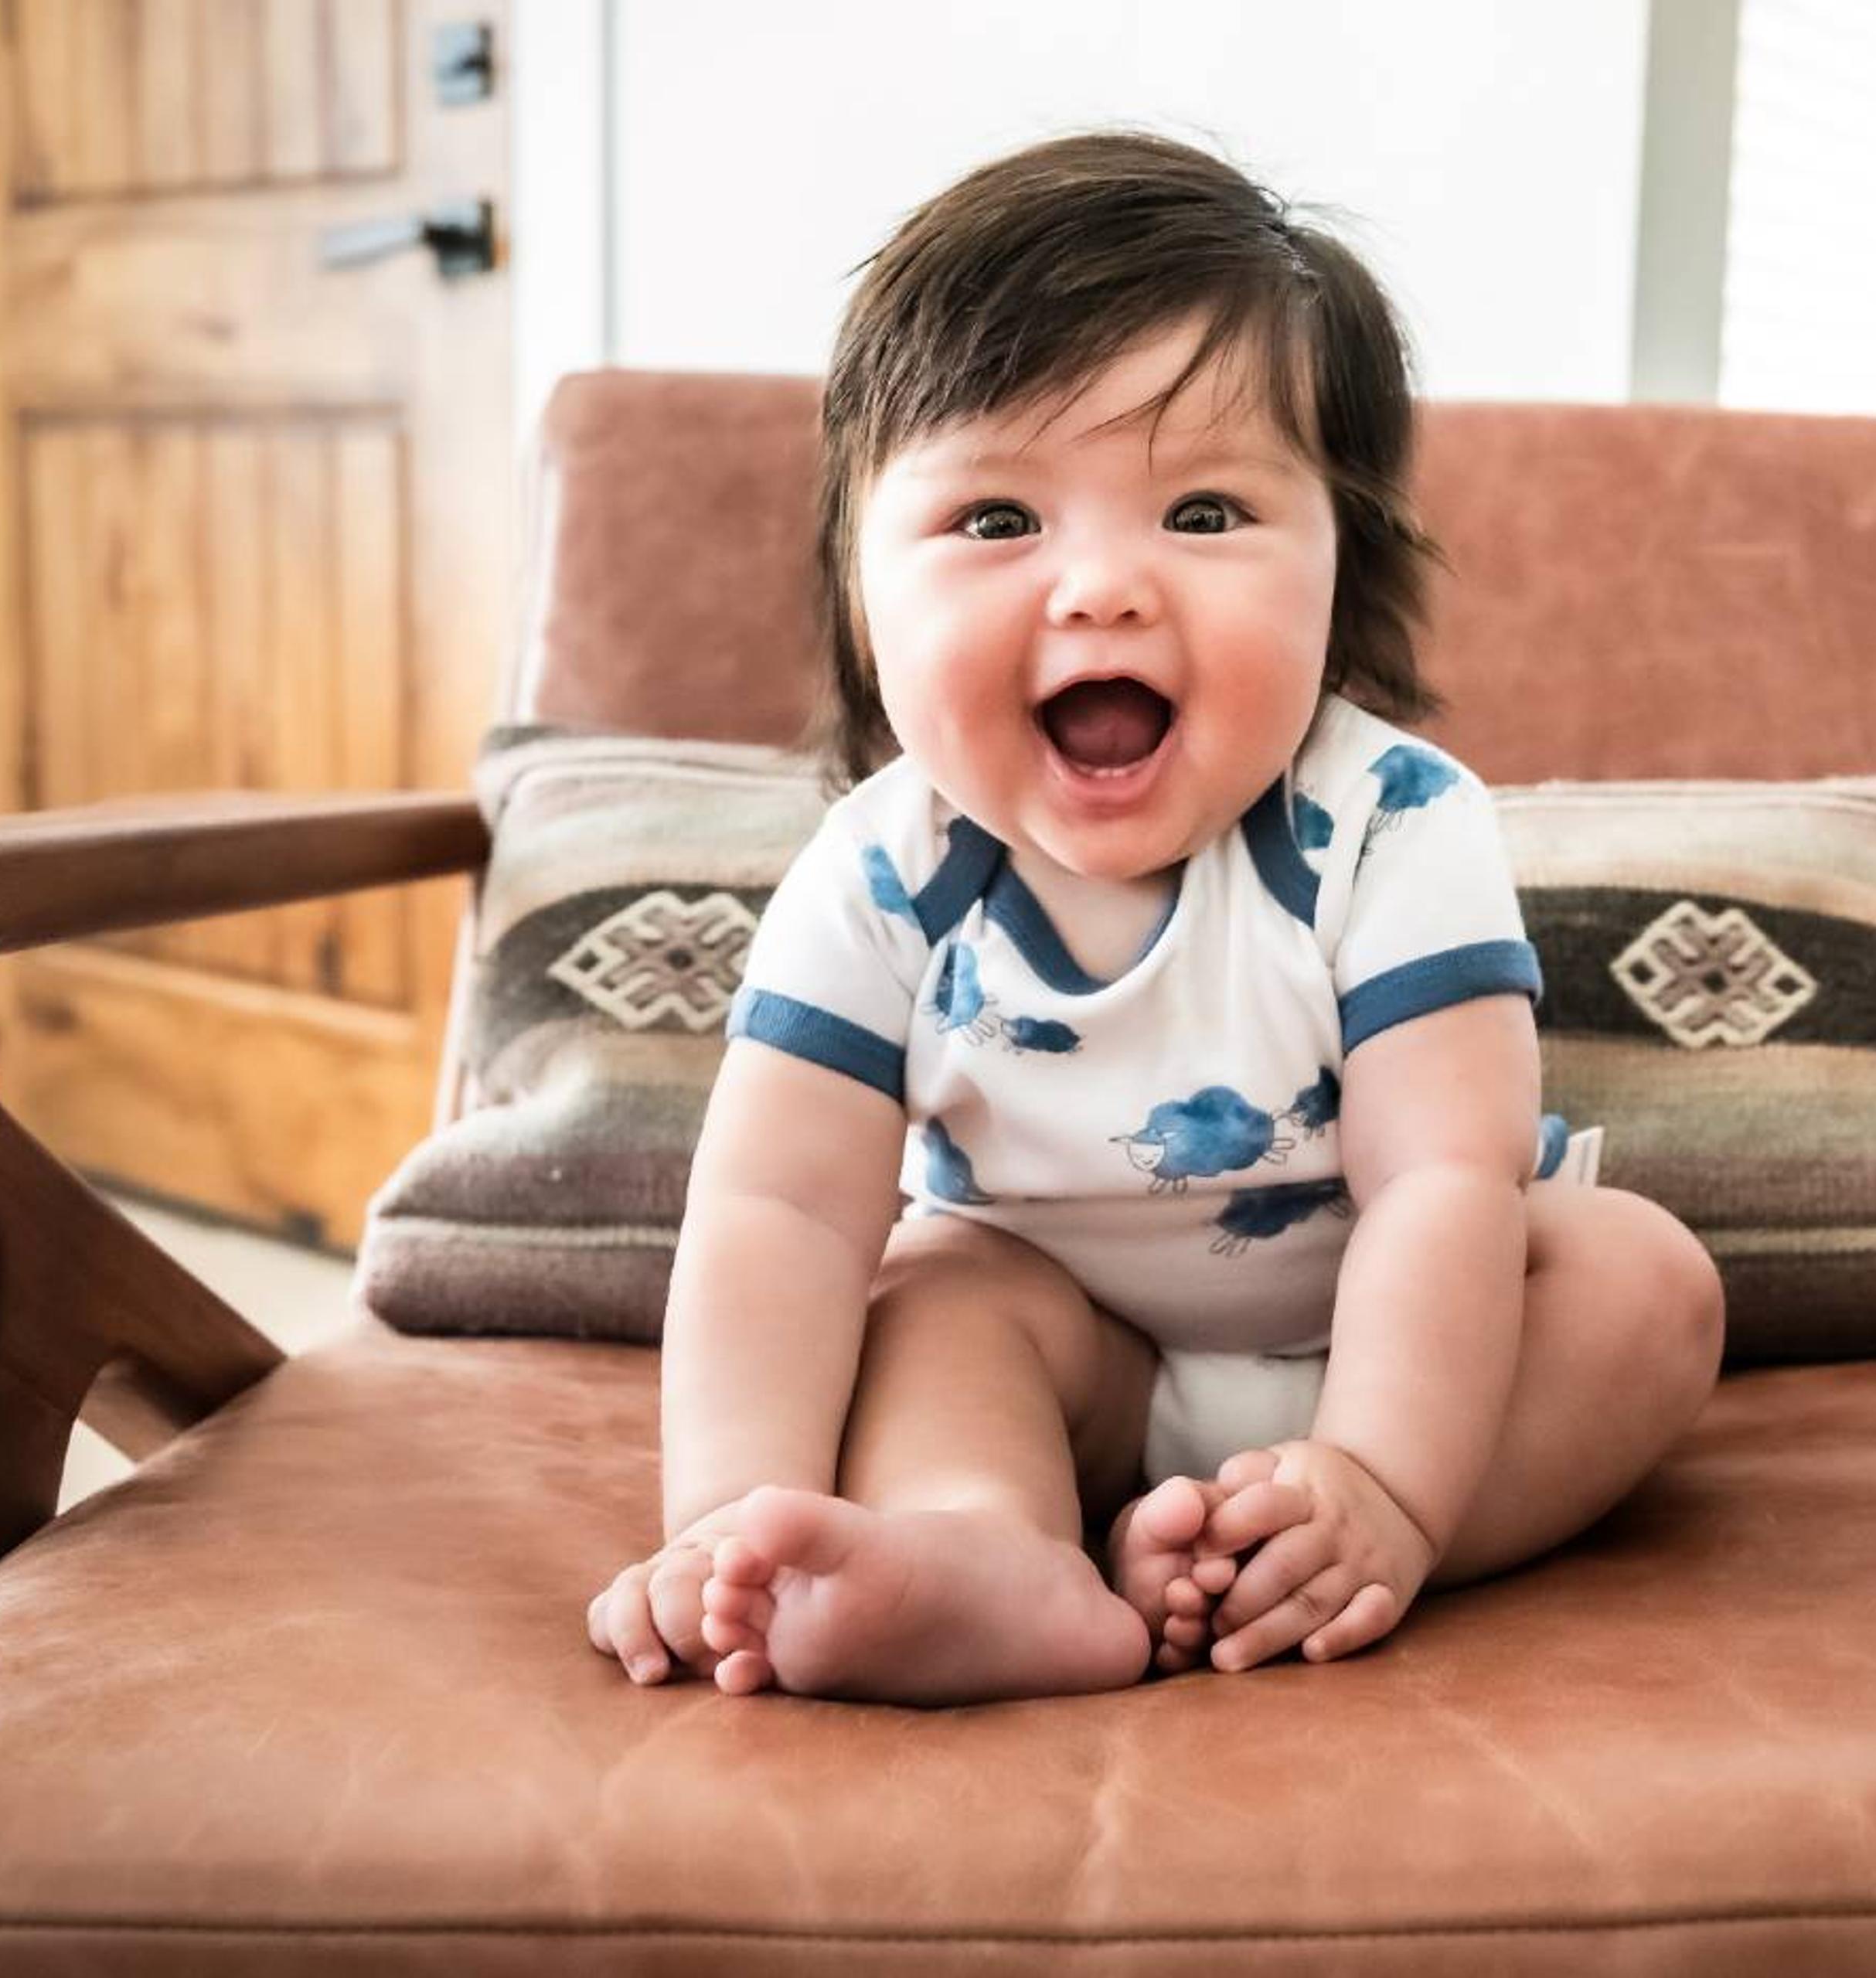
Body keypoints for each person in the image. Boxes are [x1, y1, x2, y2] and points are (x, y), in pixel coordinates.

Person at [584, 129, 1724, 1707]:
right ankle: (988, 1551)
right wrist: (717, 1527)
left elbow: (1440, 1185)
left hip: (1401, 1350)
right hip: (1076, 1361)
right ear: (863, 592)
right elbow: (778, 1218)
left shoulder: (1394, 825)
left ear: (1344, 574)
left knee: (1642, 1282)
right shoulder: (876, 876)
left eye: (1201, 513)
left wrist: (1383, 1473)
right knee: (934, 1295)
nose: (1103, 588)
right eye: (998, 519)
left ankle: (1314, 1547)